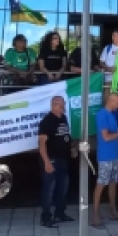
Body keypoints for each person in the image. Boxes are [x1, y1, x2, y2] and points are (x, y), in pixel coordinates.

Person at [92, 93, 118, 227]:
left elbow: (113, 134)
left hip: (114, 155)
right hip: (105, 156)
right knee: (101, 184)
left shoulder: (112, 115)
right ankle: (95, 215)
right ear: (110, 101)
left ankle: (113, 211)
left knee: (113, 183)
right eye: (117, 103)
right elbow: (106, 137)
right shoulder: (102, 115)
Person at [38, 95, 74, 228]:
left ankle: (60, 213)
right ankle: (46, 217)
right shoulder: (47, 121)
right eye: (58, 104)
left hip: (63, 159)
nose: (61, 106)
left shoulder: (63, 118)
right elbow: (41, 144)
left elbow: (65, 137)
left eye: (63, 104)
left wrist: (73, 148)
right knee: (49, 189)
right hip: (51, 159)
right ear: (52, 105)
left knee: (62, 188)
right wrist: (46, 162)